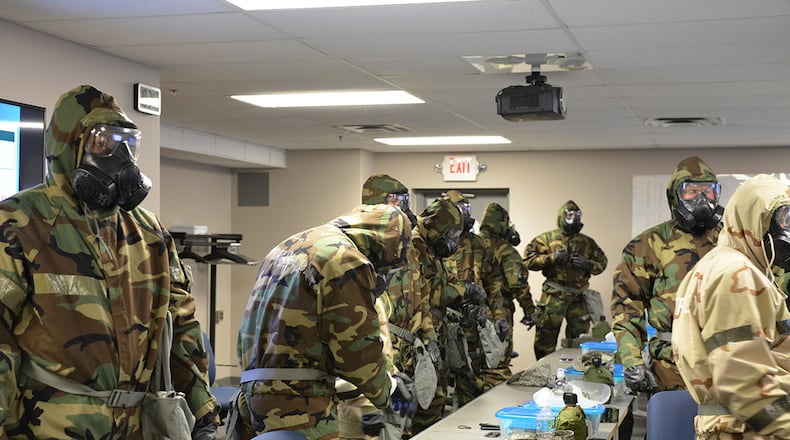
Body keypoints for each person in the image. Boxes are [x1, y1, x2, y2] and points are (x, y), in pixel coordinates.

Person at [0, 85, 219, 439]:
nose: (121, 156)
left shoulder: (149, 234)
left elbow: (180, 327)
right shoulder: (19, 224)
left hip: (137, 426)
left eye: (129, 144)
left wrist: (204, 411)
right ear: (70, 145)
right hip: (48, 427)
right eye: (104, 142)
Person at [231, 204, 415, 440]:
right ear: (386, 246)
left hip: (251, 395)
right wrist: (388, 389)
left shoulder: (288, 245)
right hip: (299, 404)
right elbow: (356, 351)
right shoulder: (346, 259)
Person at [673, 174, 790, 439]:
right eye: (785, 219)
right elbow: (743, 381)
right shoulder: (735, 273)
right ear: (754, 220)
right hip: (746, 430)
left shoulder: (730, 265)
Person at [610, 156, 723, 394]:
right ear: (675, 196)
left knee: (729, 431)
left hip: (729, 363)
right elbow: (627, 308)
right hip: (672, 364)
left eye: (708, 191)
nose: (702, 199)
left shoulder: (733, 240)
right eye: (691, 191)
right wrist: (632, 360)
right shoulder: (647, 245)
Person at [336, 174, 423, 440]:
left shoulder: (388, 254)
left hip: (386, 366)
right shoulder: (345, 262)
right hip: (355, 389)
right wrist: (376, 391)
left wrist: (393, 379)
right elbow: (350, 344)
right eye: (396, 200)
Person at [524, 200, 607, 360]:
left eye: (576, 216)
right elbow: (528, 261)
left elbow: (602, 263)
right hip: (553, 297)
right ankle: (543, 373)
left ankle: (574, 373)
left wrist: (587, 264)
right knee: (545, 341)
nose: (572, 219)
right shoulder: (546, 239)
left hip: (578, 299)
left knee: (579, 340)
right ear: (562, 216)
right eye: (569, 215)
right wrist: (551, 258)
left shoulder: (587, 243)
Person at [410, 197, 464, 434]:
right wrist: (464, 290)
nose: (452, 239)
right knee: (425, 400)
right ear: (437, 226)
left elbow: (443, 283)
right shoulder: (414, 247)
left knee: (437, 397)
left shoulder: (431, 248)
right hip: (420, 334)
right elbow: (428, 295)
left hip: (435, 331)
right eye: (450, 232)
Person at [441, 190, 497, 408]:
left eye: (465, 210)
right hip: (440, 323)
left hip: (472, 323)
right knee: (438, 381)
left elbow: (495, 285)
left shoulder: (479, 245)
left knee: (470, 377)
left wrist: (498, 316)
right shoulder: (433, 245)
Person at [478, 202, 535, 383]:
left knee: (475, 364)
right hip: (499, 312)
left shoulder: (471, 243)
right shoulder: (505, 249)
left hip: (471, 313)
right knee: (498, 364)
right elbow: (517, 284)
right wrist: (530, 311)